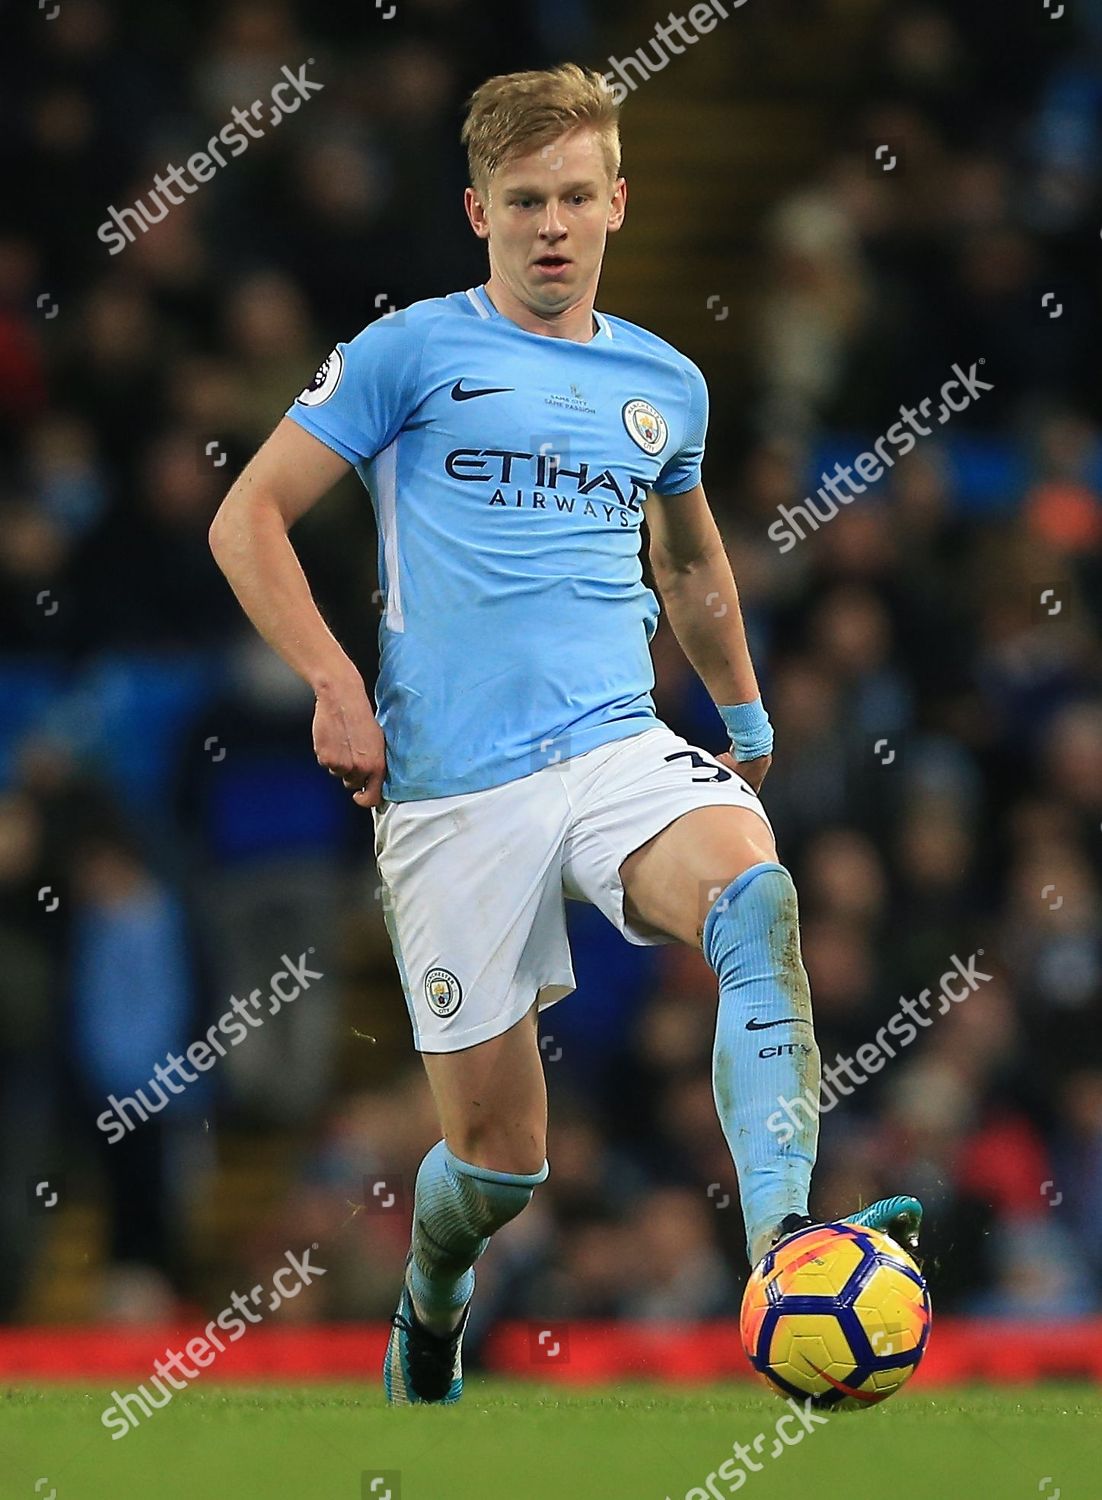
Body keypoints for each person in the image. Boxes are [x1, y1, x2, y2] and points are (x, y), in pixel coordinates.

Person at [208, 62, 921, 1407]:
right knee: (495, 1170)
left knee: (751, 894)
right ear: (475, 210)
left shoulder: (663, 383)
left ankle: (779, 1244)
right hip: (449, 790)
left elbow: (694, 565)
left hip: (611, 745)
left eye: (575, 198)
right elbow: (243, 519)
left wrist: (747, 713)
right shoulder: (407, 353)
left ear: (616, 205)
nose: (551, 224)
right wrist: (331, 680)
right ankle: (432, 1296)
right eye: (524, 200)